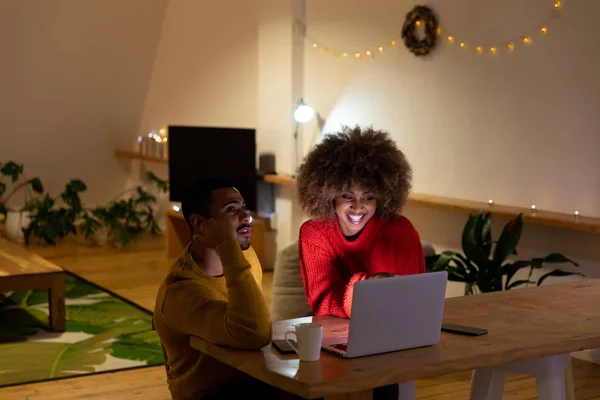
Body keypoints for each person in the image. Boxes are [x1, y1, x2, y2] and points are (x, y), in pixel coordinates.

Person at [154, 178, 279, 400]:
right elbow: (255, 333)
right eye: (231, 209)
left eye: (244, 207)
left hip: (252, 380)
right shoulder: (180, 291)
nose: (246, 217)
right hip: (210, 395)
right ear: (199, 224)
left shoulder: (244, 257)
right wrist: (228, 248)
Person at [296, 125, 426, 319]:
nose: (358, 207)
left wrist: (364, 295)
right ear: (329, 196)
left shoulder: (400, 230)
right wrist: (367, 285)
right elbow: (322, 302)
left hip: (392, 327)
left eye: (368, 198)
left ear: (382, 197)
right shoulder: (314, 233)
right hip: (336, 331)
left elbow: (412, 300)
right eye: (347, 196)